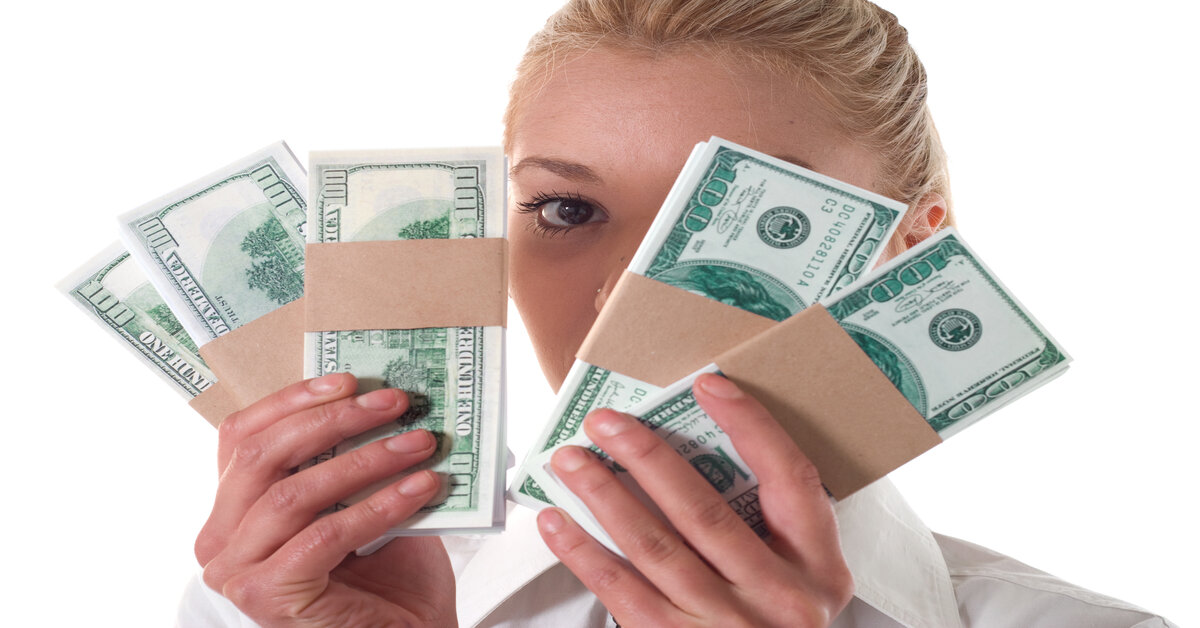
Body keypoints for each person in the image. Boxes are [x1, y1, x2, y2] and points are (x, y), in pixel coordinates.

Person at [181, 1, 1174, 626]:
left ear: (909, 253)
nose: (624, 292)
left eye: (730, 224)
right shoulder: (284, 601)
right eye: (568, 211)